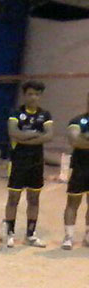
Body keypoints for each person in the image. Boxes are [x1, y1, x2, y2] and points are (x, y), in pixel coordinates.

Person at [0, 80, 53, 249]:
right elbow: (13, 133)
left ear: (40, 96)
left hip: (36, 162)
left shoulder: (45, 115)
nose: (33, 97)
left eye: (37, 94)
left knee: (34, 199)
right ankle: (9, 233)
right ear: (24, 95)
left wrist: (25, 137)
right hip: (18, 161)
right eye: (30, 94)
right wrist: (36, 135)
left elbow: (49, 136)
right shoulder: (16, 113)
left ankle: (30, 234)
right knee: (13, 198)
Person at [62, 92, 89, 250]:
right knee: (72, 202)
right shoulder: (77, 120)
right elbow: (74, 140)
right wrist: (81, 139)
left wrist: (84, 137)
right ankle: (69, 237)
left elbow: (80, 140)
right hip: (79, 167)